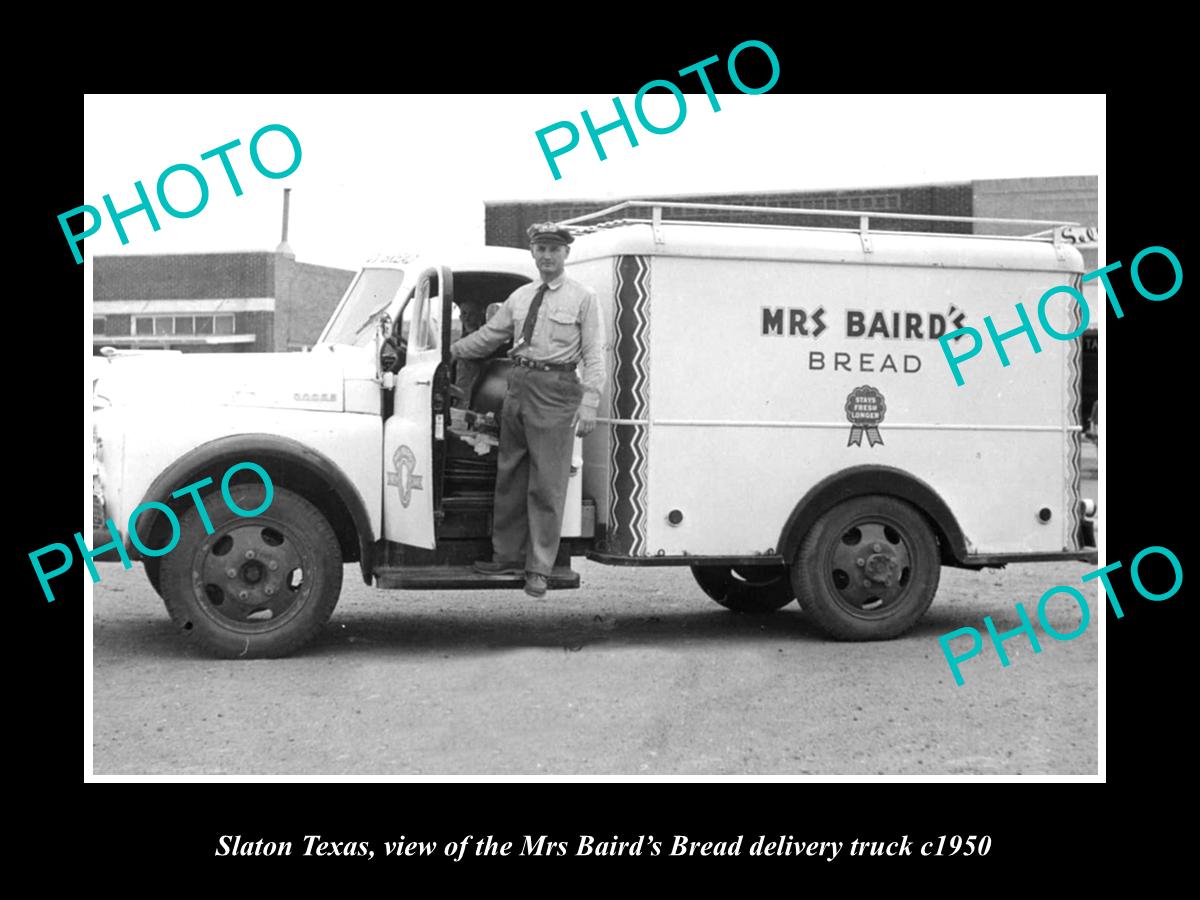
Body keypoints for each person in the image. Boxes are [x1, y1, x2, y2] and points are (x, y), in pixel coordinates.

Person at [449, 222, 606, 597]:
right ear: (533, 253)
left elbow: (593, 355)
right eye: (541, 249)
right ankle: (506, 556)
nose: (547, 256)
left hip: (557, 389)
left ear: (566, 254)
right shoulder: (519, 297)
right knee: (510, 476)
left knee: (546, 484)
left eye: (554, 249)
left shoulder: (583, 298)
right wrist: (449, 352)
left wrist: (589, 402)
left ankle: (538, 569)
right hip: (517, 386)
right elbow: (489, 338)